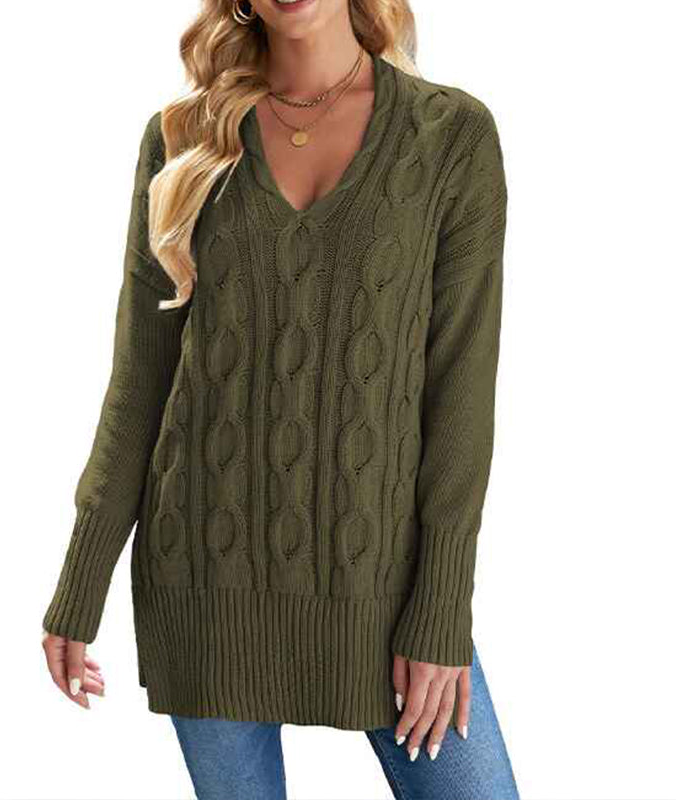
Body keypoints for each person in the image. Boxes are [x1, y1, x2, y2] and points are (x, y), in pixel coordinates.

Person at [41, 0, 519, 797]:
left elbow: (461, 393)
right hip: (205, 577)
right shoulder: (182, 139)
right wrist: (81, 581)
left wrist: (441, 607)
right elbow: (141, 379)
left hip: (383, 583)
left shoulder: (451, 136)